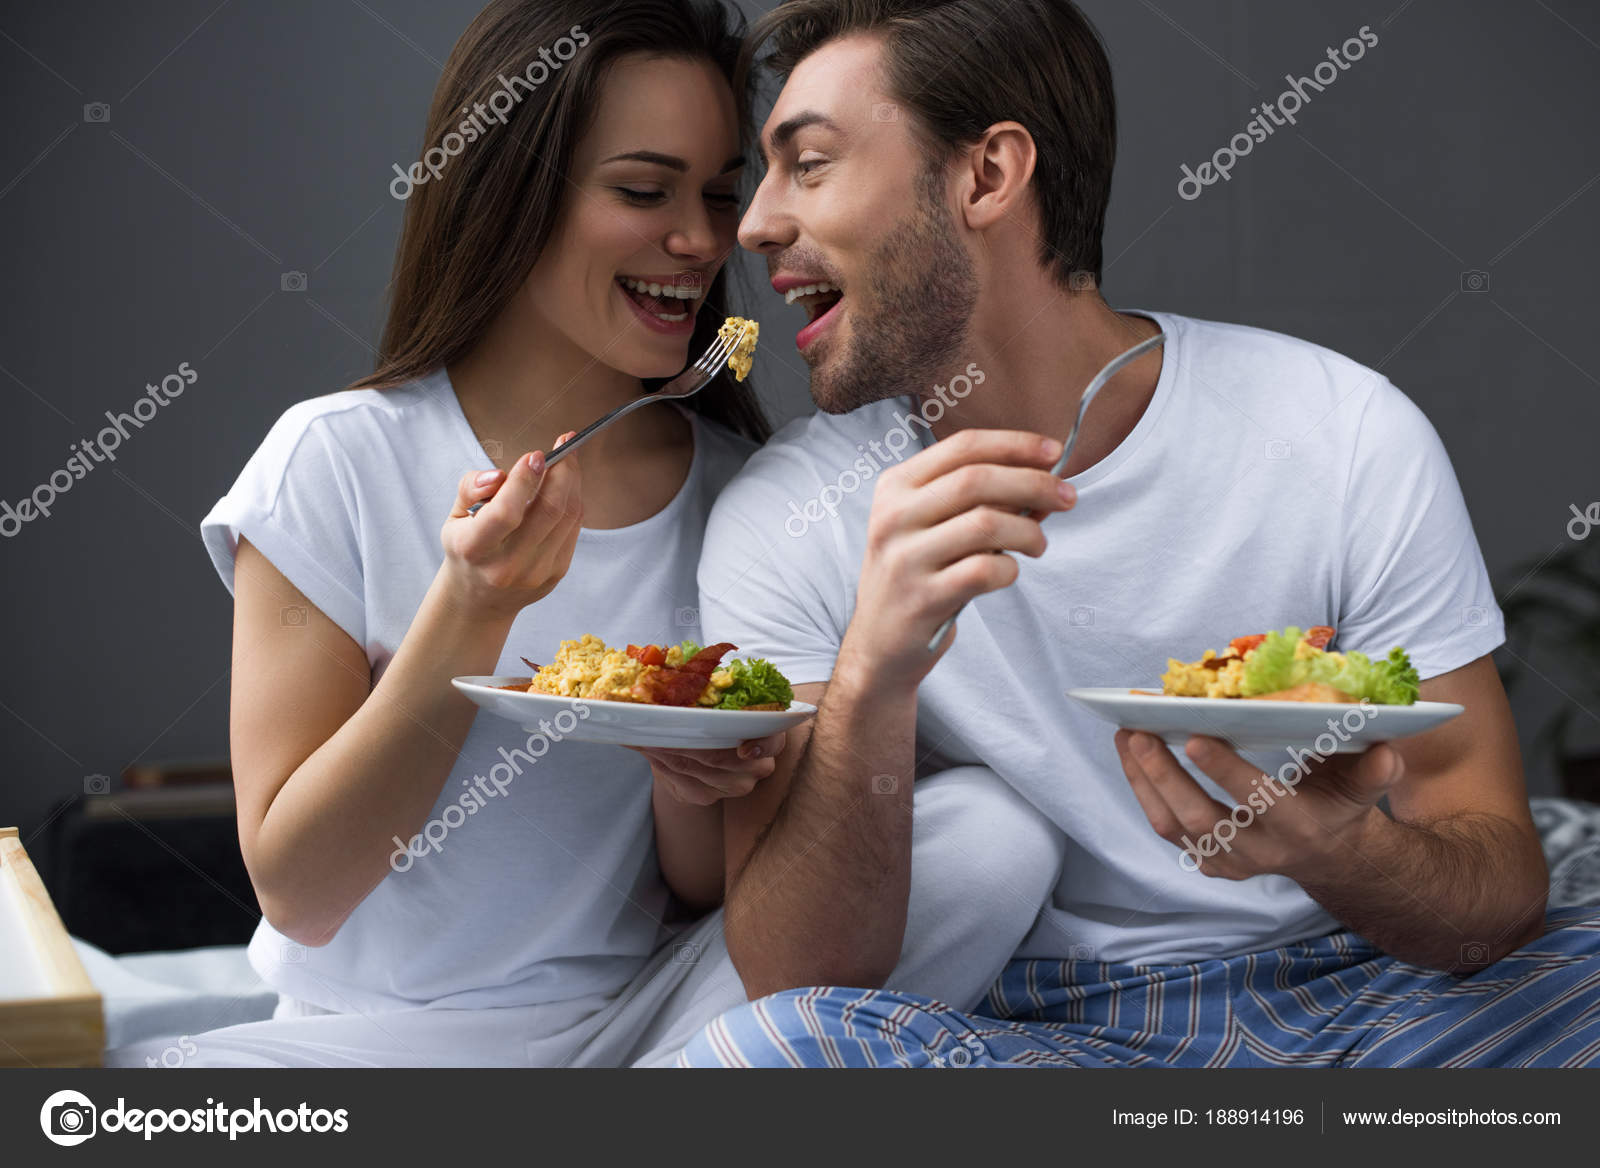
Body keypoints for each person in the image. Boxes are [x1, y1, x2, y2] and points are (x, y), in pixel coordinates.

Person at [106, 0, 1060, 1069]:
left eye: (718, 194)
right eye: (644, 191)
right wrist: (470, 609)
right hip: (375, 1044)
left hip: (650, 1021)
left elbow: (700, 891)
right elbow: (302, 891)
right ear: (508, 192)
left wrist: (689, 781)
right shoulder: (334, 461)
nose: (702, 241)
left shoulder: (749, 493)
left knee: (989, 836)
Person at [678, 0, 1600, 1067]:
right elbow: (792, 974)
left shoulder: (1342, 429)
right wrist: (874, 674)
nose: (754, 224)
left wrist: (1345, 852)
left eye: (810, 165)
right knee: (772, 1051)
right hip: (1046, 1040)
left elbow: (1496, 888)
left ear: (987, 176)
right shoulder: (787, 517)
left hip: (1373, 1002)